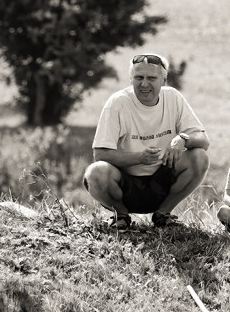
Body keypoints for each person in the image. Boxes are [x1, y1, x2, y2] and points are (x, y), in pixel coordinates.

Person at [83, 53, 210, 230]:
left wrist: (182, 139)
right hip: (125, 185)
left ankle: (163, 215)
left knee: (199, 157)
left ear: (164, 80)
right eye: (138, 78)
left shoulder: (173, 98)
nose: (144, 84)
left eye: (151, 78)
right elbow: (100, 154)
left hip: (162, 182)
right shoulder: (117, 103)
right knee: (95, 172)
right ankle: (121, 216)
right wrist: (138, 158)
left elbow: (203, 140)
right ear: (130, 79)